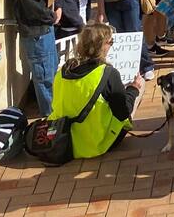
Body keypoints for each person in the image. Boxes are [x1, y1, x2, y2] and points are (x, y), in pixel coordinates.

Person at [47, 23, 143, 159]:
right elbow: (123, 112)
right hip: (95, 143)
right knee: (138, 87)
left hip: (61, 138)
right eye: (111, 42)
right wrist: (133, 89)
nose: (111, 46)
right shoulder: (108, 73)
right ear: (102, 46)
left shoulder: (63, 69)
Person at [10, 0, 61, 113]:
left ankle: (55, 111)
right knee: (45, 76)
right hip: (36, 34)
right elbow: (32, 6)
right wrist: (52, 16)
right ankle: (50, 116)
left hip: (44, 30)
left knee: (51, 71)